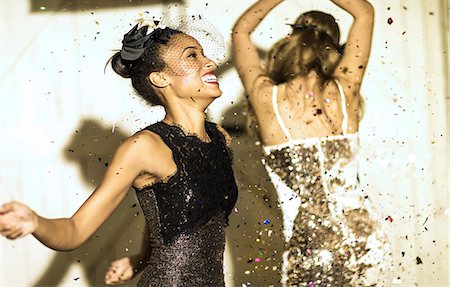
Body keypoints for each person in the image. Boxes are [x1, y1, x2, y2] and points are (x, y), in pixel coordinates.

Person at [0, 22, 238, 287]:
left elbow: (175, 213)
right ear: (160, 78)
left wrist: (139, 259)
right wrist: (35, 222)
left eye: (204, 54)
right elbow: (75, 230)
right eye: (192, 55)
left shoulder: (219, 138)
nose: (209, 62)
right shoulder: (143, 147)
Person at [232, 0, 393, 286]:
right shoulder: (344, 91)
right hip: (362, 240)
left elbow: (240, 33)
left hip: (312, 248)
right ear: (335, 49)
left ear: (289, 40)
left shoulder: (267, 98)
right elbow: (364, 11)